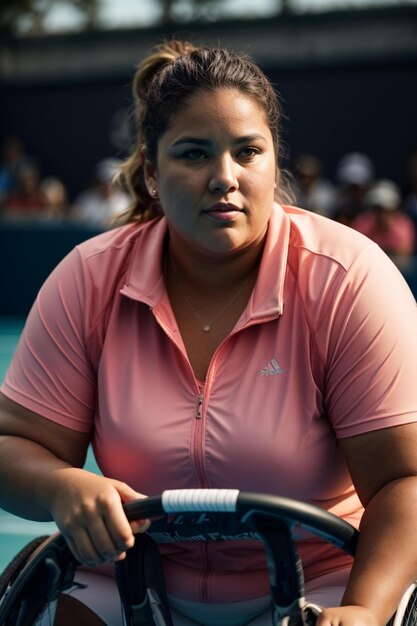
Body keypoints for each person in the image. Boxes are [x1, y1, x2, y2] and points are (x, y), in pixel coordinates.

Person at [1, 39, 417, 626]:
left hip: (324, 582)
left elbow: (407, 478)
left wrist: (366, 611)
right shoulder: (88, 278)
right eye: (194, 154)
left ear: (275, 163)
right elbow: (13, 447)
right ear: (150, 172)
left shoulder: (350, 279)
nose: (225, 177)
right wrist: (58, 485)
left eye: (248, 152)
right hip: (129, 576)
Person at [351, 179, 415, 267]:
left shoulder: (403, 224)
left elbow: (404, 255)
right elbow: (356, 252)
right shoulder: (362, 222)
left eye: (385, 209)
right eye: (377, 209)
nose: (381, 214)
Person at [72, 157, 131, 228]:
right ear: (98, 182)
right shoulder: (85, 199)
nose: (108, 186)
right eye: (104, 182)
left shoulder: (126, 202)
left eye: (111, 182)